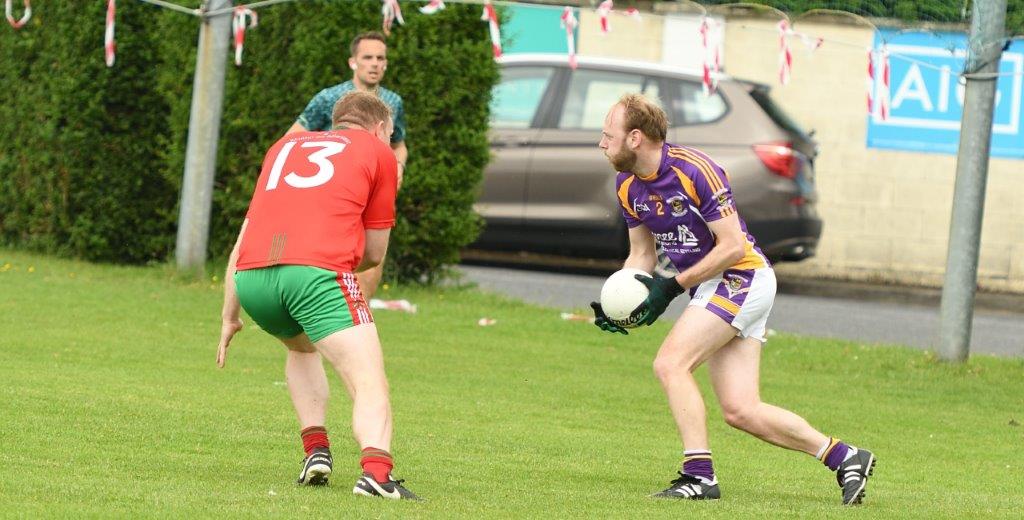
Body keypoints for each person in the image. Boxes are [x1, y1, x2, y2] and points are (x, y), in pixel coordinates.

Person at [590, 94, 875, 505]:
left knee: (671, 364)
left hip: (742, 276)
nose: (602, 143)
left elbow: (731, 246)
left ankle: (699, 476)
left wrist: (671, 287)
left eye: (608, 135)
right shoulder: (627, 185)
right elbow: (642, 256)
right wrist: (624, 305)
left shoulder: (695, 170)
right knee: (741, 410)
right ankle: (846, 456)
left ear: (635, 137)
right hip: (714, 285)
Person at [217, 91, 420, 500]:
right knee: (368, 380)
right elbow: (375, 253)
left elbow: (243, 239)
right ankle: (377, 476)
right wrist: (330, 261)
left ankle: (316, 452)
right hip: (315, 273)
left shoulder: (283, 147)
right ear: (380, 128)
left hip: (253, 278)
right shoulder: (379, 153)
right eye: (390, 134)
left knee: (302, 349)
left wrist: (229, 315)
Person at [286, 31, 408, 299]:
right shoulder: (329, 98)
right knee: (327, 256)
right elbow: (292, 139)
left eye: (381, 58)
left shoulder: (393, 102)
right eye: (368, 57)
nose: (375, 63)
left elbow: (398, 143)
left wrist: (398, 166)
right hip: (335, 195)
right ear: (353, 62)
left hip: (375, 191)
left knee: (373, 255)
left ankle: (360, 314)